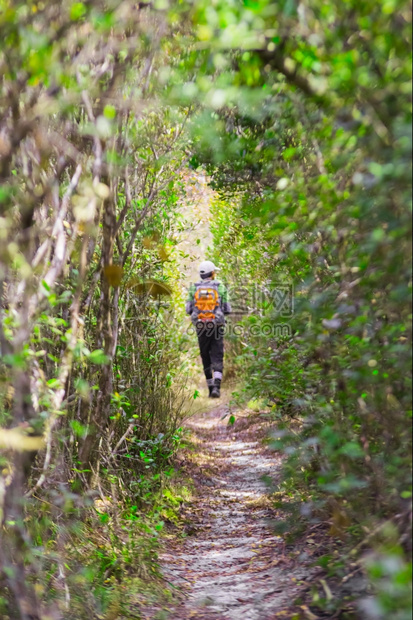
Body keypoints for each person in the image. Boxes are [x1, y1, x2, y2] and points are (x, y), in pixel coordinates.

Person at [186, 260, 231, 398]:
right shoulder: (220, 286)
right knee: (217, 355)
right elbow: (227, 309)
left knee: (205, 355)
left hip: (201, 326)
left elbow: (188, 309)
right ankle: (217, 386)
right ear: (212, 273)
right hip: (216, 325)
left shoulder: (194, 288)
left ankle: (210, 388)